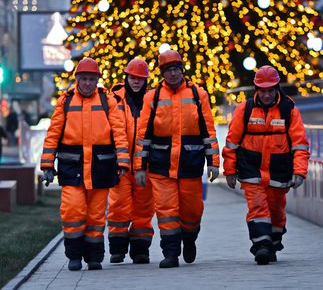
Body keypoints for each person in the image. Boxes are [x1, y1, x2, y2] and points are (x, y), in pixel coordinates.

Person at [40, 57, 130, 271]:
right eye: (84, 79)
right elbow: (53, 134)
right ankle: (74, 256)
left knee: (96, 216)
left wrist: (123, 161)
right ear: (77, 80)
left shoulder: (107, 100)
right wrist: (47, 165)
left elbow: (119, 132)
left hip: (101, 167)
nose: (88, 83)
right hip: (72, 167)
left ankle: (94, 258)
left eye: (92, 79)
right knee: (72, 211)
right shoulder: (66, 101)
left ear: (97, 80)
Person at [134, 50, 220, 268]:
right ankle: (171, 253)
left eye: (176, 69)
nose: (172, 73)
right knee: (166, 209)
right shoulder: (152, 97)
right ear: (162, 73)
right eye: (168, 70)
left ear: (182, 70)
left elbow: (208, 131)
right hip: (160, 165)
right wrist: (140, 167)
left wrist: (214, 163)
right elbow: (143, 136)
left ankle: (189, 239)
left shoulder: (197, 95)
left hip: (190, 163)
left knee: (192, 210)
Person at [222, 65, 310, 265]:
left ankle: (273, 242)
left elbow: (300, 144)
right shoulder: (244, 109)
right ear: (256, 89)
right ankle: (261, 245)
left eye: (271, 90)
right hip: (251, 169)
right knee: (257, 206)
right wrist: (229, 171)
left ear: (277, 88)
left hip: (279, 171)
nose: (267, 94)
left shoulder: (289, 110)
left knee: (276, 210)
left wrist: (299, 172)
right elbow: (232, 142)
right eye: (263, 90)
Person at [107, 58, 154, 264]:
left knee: (144, 208)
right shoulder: (112, 99)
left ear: (145, 80)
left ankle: (140, 249)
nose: (136, 81)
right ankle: (117, 249)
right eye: (133, 77)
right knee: (118, 205)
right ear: (126, 76)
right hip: (121, 164)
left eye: (140, 78)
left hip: (146, 165)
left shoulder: (154, 100)